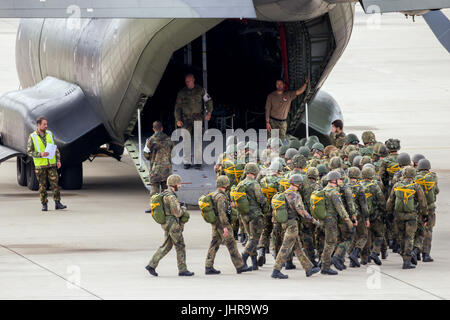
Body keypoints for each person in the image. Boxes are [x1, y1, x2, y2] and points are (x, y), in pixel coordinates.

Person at [271, 174, 321, 279]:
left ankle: (308, 268)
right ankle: (276, 270)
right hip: (292, 224)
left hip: (285, 223)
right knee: (286, 246)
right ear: (299, 184)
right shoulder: (295, 195)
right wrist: (313, 220)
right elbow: (301, 210)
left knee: (297, 247)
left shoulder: (285, 193)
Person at [146, 174, 194, 277]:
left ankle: (151, 265)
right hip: (173, 224)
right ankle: (183, 270)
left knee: (166, 246)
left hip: (166, 223)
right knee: (180, 245)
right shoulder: (171, 197)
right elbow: (177, 213)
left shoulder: (165, 193)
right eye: (179, 184)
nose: (180, 186)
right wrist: (183, 209)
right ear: (174, 184)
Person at [205, 176, 253, 275]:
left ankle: (208, 266)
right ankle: (240, 266)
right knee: (231, 244)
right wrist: (225, 227)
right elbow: (222, 213)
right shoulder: (221, 197)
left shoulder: (215, 194)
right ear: (225, 184)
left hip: (216, 224)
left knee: (214, 244)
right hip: (222, 224)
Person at [386, 166, 428, 269]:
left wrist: (389, 213)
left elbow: (390, 201)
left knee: (401, 237)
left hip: (398, 216)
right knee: (409, 237)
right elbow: (423, 203)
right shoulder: (416, 186)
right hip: (411, 216)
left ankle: (404, 257)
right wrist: (425, 215)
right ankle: (407, 261)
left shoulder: (396, 185)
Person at [27, 116, 67, 212]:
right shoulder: (32, 136)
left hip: (51, 164)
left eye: (46, 124)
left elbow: (55, 148)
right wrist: (40, 154)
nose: (46, 126)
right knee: (42, 186)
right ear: (38, 125)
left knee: (55, 184)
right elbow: (29, 151)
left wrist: (58, 160)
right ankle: (44, 204)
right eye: (44, 124)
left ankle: (58, 203)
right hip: (40, 166)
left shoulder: (50, 134)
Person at [174, 74, 213, 170]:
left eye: (189, 81)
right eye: (186, 81)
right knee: (186, 140)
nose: (187, 83)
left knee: (198, 140)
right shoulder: (182, 92)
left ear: (193, 80)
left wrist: (209, 112)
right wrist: (178, 119)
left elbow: (208, 101)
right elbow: (177, 107)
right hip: (185, 119)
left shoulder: (201, 90)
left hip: (198, 117)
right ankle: (187, 162)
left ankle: (198, 162)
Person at [320, 171, 353, 275]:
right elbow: (340, 208)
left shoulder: (324, 190)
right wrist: (348, 220)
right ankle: (325, 267)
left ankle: (324, 265)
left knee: (328, 242)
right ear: (334, 180)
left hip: (324, 219)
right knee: (330, 243)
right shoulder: (334, 192)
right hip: (331, 220)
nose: (341, 181)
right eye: (339, 179)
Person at [239, 163, 270, 270]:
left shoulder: (241, 184)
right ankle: (242, 260)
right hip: (255, 215)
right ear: (255, 172)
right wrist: (266, 209)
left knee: (250, 237)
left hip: (244, 215)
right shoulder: (254, 184)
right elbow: (261, 199)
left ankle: (254, 263)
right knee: (254, 239)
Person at [414, 159, 439, 262]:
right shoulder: (433, 177)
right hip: (430, 207)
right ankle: (426, 254)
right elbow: (436, 191)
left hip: (418, 207)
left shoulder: (415, 177)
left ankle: (416, 252)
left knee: (417, 230)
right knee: (428, 230)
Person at [144, 121, 174, 199]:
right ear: (162, 128)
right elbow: (172, 152)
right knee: (166, 190)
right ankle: (166, 207)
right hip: (167, 169)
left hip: (155, 169)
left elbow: (146, 154)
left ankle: (155, 206)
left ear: (153, 129)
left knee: (154, 189)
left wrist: (152, 157)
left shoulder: (150, 140)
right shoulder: (169, 139)